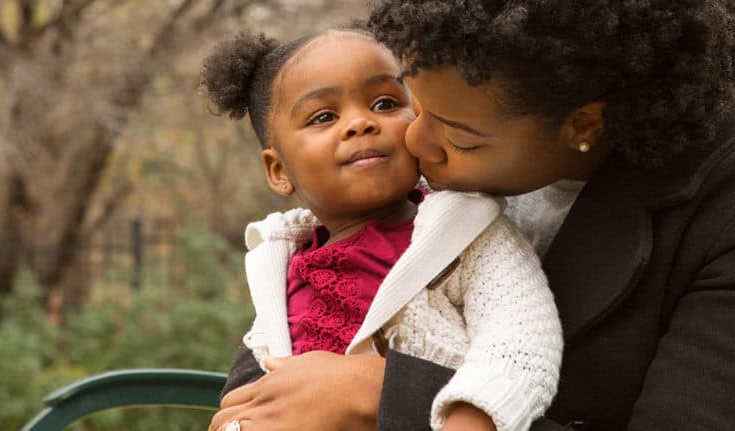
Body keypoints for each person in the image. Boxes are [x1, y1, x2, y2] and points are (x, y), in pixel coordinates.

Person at [209, 1, 735, 430]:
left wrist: (380, 394)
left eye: (457, 135)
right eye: (420, 105)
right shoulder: (327, 229)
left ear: (584, 126)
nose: (413, 140)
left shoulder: (715, 215)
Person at [201, 26, 562, 431]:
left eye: (386, 103)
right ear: (279, 170)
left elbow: (520, 344)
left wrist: (470, 420)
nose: (360, 123)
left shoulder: (468, 233)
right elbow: (248, 402)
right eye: (324, 116)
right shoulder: (284, 265)